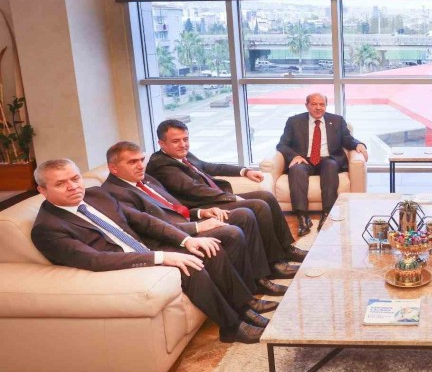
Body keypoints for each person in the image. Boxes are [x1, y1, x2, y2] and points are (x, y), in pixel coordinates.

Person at [30, 159, 269, 344]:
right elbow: (95, 259)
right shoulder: (47, 228)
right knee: (190, 267)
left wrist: (186, 240)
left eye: (75, 178)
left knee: (209, 248)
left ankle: (244, 308)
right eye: (61, 184)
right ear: (43, 190)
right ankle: (231, 327)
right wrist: (161, 258)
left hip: (144, 248)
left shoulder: (95, 195)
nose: (73, 187)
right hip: (120, 268)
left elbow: (143, 220)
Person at [102, 141, 294, 299]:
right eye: (133, 162)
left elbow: (173, 205)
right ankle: (255, 284)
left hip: (192, 215)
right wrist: (197, 225)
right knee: (239, 223)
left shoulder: (146, 179)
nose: (140, 165)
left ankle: (278, 258)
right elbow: (153, 224)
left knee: (259, 203)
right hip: (175, 233)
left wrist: (201, 213)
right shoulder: (116, 193)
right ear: (114, 168)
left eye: (141, 160)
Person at [145, 119, 306, 264]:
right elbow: (194, 190)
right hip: (201, 206)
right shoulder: (161, 164)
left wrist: (244, 171)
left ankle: (286, 249)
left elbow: (209, 166)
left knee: (267, 197)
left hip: (214, 198)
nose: (183, 144)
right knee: (258, 206)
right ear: (162, 144)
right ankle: (274, 262)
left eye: (185, 139)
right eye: (176, 141)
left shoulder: (180, 154)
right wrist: (232, 198)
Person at [276, 93, 368, 236]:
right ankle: (302, 217)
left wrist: (358, 144)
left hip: (327, 158)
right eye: (314, 104)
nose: (318, 108)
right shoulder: (294, 121)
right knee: (296, 170)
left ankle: (327, 213)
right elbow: (282, 145)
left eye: (322, 104)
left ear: (326, 105)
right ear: (307, 105)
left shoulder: (337, 120)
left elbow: (347, 138)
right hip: (304, 159)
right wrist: (294, 156)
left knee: (330, 166)